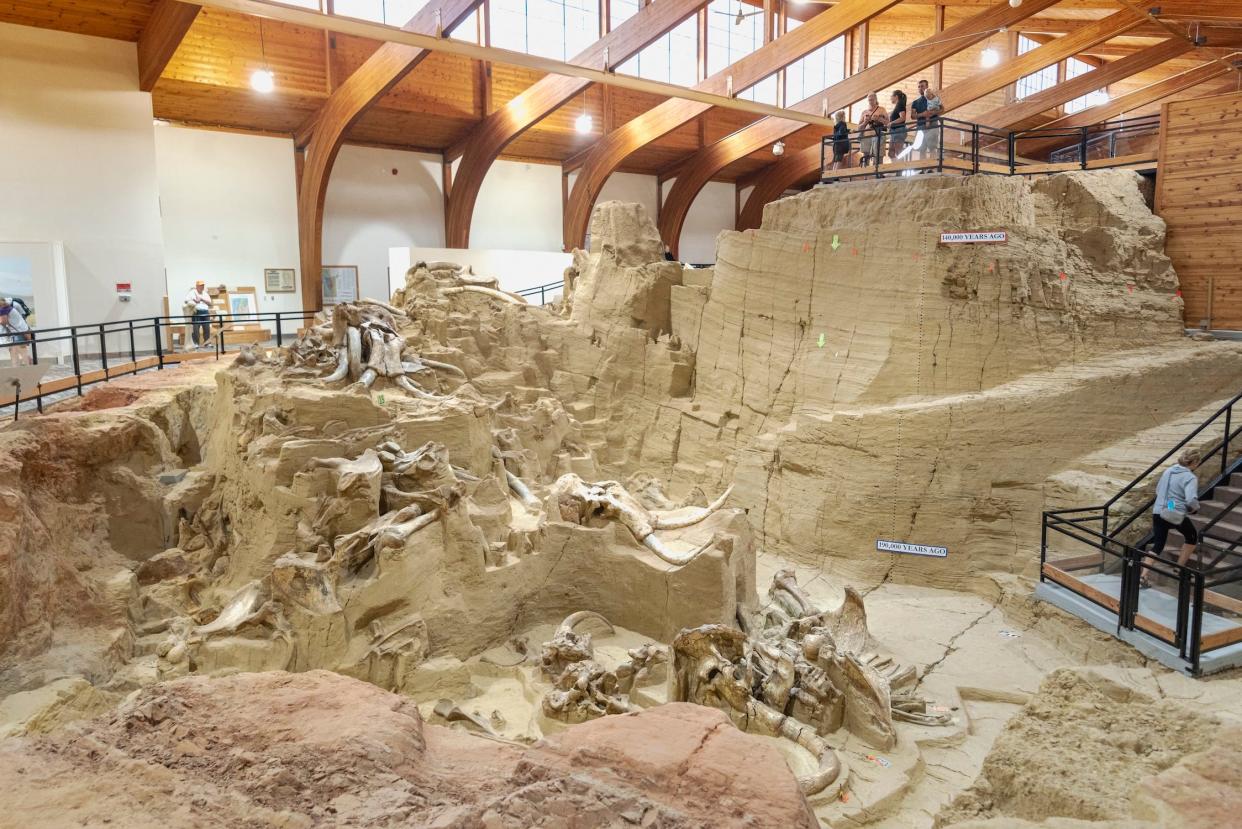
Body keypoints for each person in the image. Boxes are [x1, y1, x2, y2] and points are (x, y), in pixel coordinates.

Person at [1140, 448, 1202, 587]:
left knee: (1158, 545)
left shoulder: (1168, 471)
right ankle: (1178, 568)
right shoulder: (1190, 477)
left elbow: (1159, 491)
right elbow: (1191, 499)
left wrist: (1170, 506)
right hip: (1174, 513)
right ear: (1195, 462)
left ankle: (1143, 576)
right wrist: (1195, 509)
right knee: (1192, 536)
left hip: (1158, 511)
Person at [858, 93, 888, 169]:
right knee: (865, 156)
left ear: (876, 100)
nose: (870, 102)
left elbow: (888, 123)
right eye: (869, 100)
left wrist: (878, 119)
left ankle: (878, 172)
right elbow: (859, 128)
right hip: (866, 136)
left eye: (872, 100)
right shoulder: (864, 112)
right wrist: (865, 122)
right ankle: (865, 174)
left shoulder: (882, 109)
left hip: (878, 135)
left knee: (878, 155)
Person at [0, 301, 32, 365]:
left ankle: (28, 367)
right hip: (21, 331)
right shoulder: (8, 308)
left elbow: (3, 322)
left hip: (17, 333)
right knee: (14, 351)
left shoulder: (3, 310)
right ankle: (20, 368)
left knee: (20, 351)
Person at [184, 280, 213, 350]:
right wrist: (194, 300)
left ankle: (207, 343)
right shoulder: (192, 293)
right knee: (196, 329)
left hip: (205, 312)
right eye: (200, 285)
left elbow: (210, 303)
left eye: (203, 285)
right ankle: (196, 343)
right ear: (196, 286)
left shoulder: (205, 293)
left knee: (207, 328)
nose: (202, 287)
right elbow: (186, 300)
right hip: (196, 312)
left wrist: (202, 299)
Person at [888, 89, 909, 162]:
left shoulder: (900, 104)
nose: (890, 98)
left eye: (891, 96)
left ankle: (899, 170)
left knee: (898, 152)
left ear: (896, 96)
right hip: (894, 132)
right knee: (891, 153)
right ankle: (895, 168)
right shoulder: (898, 105)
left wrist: (892, 123)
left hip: (899, 131)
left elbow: (903, 117)